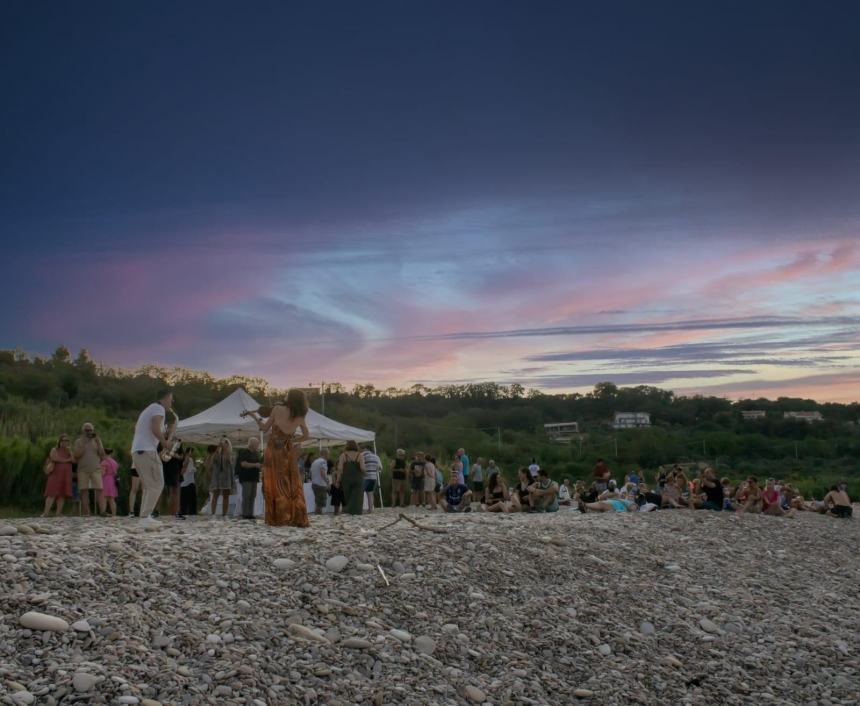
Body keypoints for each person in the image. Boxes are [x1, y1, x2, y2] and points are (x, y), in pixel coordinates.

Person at [242, 390, 311, 527]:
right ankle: (293, 516)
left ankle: (278, 516)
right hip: (288, 451)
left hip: (273, 451)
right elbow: (306, 436)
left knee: (274, 483)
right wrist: (294, 440)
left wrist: (254, 416)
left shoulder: (277, 409)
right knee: (290, 483)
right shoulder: (300, 416)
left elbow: (264, 428)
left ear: (289, 398)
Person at [131, 389, 175, 526]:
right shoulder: (158, 408)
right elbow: (155, 429)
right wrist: (166, 443)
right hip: (147, 451)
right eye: (171, 399)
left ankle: (144, 517)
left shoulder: (149, 409)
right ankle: (145, 517)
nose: (172, 402)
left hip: (139, 451)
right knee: (157, 483)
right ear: (166, 397)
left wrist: (168, 433)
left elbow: (145, 429)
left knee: (149, 486)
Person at [73, 422, 106, 516]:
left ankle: (103, 511)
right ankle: (87, 512)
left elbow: (102, 455)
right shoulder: (78, 441)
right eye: (87, 430)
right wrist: (84, 443)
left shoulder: (97, 441)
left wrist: (99, 442)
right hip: (83, 469)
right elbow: (77, 455)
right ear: (83, 431)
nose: (89, 432)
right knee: (84, 490)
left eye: (91, 430)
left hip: (96, 468)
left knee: (100, 489)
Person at [42, 434, 74, 517]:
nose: (65, 442)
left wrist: (70, 453)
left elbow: (74, 460)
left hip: (66, 474)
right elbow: (55, 458)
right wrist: (67, 460)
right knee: (51, 492)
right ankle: (46, 512)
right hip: (55, 473)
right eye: (63, 440)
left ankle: (58, 512)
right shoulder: (54, 449)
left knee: (62, 493)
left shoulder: (69, 450)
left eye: (66, 441)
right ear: (59, 441)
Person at [336, 440, 367, 516]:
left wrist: (338, 480)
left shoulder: (343, 455)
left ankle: (348, 512)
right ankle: (356, 512)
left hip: (346, 479)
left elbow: (340, 469)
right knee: (358, 495)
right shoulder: (360, 455)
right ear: (356, 446)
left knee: (347, 495)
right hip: (358, 478)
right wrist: (365, 473)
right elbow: (362, 468)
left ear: (347, 446)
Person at [236, 437, 263, 520]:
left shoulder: (255, 453)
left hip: (254, 478)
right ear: (251, 444)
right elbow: (243, 464)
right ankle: (245, 514)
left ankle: (250, 514)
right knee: (246, 496)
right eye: (256, 444)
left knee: (252, 496)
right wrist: (255, 465)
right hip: (246, 477)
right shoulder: (244, 452)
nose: (258, 446)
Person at [208, 438, 235, 518]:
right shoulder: (217, 454)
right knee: (215, 496)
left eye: (226, 443)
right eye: (223, 443)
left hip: (227, 478)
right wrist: (218, 448)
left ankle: (224, 514)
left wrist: (225, 449)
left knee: (226, 496)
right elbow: (213, 461)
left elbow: (230, 462)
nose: (224, 444)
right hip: (217, 478)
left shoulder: (231, 454)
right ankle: (213, 514)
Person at [162, 441, 183, 518]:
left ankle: (176, 512)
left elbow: (181, 456)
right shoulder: (163, 441)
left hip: (176, 469)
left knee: (176, 491)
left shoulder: (178, 443)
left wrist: (173, 455)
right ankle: (171, 512)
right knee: (170, 492)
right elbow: (162, 456)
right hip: (166, 469)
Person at [309, 449, 330, 515]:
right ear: (325, 454)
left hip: (314, 484)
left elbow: (310, 473)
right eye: (328, 454)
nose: (328, 456)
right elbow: (322, 473)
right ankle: (319, 516)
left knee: (317, 502)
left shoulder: (315, 462)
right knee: (320, 503)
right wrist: (327, 482)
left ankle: (317, 515)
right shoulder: (323, 462)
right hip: (321, 484)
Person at [361, 446, 381, 513]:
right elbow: (380, 468)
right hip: (374, 477)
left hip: (365, 477)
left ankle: (359, 509)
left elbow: (360, 466)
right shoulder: (376, 457)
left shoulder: (362, 455)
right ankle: (370, 509)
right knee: (370, 493)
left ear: (365, 449)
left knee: (360, 493)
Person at [100, 448, 119, 516]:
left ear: (104, 454)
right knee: (112, 499)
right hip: (113, 480)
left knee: (104, 497)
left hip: (106, 480)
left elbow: (103, 473)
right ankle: (114, 514)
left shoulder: (104, 462)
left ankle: (103, 512)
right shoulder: (114, 462)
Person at [179, 449, 197, 516]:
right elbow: (187, 469)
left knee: (192, 500)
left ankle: (192, 512)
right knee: (185, 500)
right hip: (185, 482)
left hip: (191, 481)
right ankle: (184, 512)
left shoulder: (191, 459)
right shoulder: (185, 459)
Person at [127, 449, 142, 517]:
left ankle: (145, 511)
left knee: (145, 489)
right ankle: (131, 511)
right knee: (134, 489)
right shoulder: (137, 443)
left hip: (146, 468)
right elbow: (130, 452)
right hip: (136, 467)